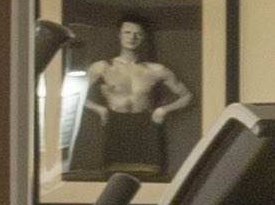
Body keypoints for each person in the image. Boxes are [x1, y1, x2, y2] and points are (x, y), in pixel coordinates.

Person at [70, 14, 190, 185]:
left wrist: (163, 110)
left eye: (137, 34)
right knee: (115, 183)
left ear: (143, 37)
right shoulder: (102, 67)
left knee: (150, 181)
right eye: (127, 32)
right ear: (119, 35)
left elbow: (187, 96)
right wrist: (99, 109)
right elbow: (75, 96)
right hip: (115, 126)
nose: (132, 37)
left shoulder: (156, 70)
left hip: (146, 127)